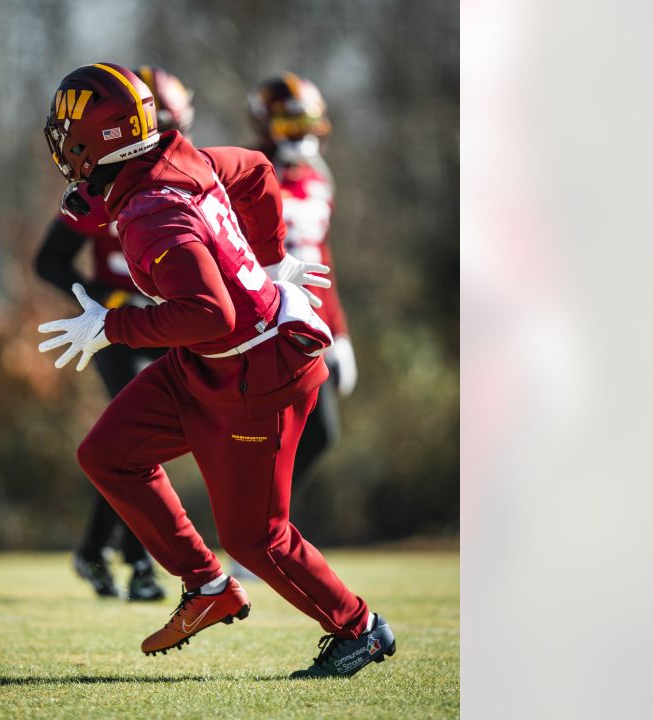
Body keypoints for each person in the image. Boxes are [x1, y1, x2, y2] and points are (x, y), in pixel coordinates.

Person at [38, 63, 395, 678]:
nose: (63, 147)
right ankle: (206, 586)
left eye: (71, 136)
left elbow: (207, 312)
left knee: (256, 537)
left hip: (260, 376)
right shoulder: (181, 162)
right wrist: (270, 260)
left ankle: (359, 627)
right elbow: (256, 172)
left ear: (101, 141)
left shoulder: (152, 214)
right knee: (109, 453)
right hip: (211, 361)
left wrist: (112, 327)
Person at [34, 66, 195, 603]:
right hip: (122, 326)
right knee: (131, 439)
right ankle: (138, 561)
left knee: (136, 444)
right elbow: (50, 260)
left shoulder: (186, 174)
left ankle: (95, 549)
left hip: (172, 323)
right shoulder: (102, 183)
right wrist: (98, 304)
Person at [249, 73, 357, 488]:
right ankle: (256, 532)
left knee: (314, 436)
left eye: (308, 122)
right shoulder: (252, 172)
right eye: (291, 123)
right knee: (283, 436)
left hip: (310, 324)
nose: (303, 134)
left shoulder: (320, 178)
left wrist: (340, 333)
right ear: (264, 123)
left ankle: (260, 529)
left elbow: (321, 259)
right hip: (268, 324)